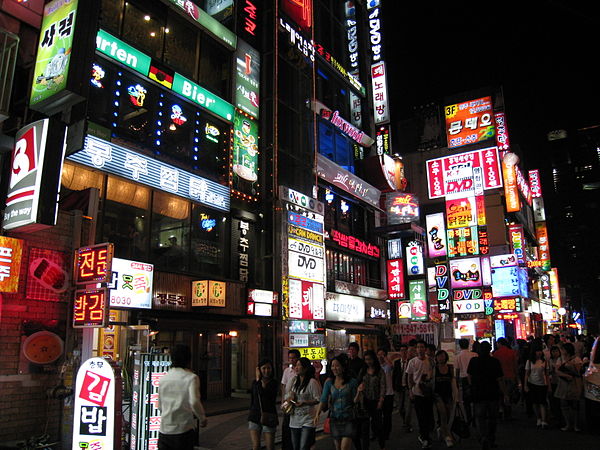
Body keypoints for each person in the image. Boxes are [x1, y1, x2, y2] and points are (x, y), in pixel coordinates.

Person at [158, 344, 207, 450]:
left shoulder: (164, 379)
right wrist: (202, 418)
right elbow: (194, 402)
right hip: (183, 430)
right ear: (188, 358)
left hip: (164, 430)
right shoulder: (191, 378)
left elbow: (159, 406)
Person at [315, 356, 361, 450]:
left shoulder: (352, 382)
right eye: (332, 366)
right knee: (338, 447)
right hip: (334, 419)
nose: (334, 368)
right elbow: (323, 399)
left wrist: (359, 392)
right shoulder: (329, 383)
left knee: (344, 448)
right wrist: (317, 414)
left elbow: (355, 401)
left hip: (349, 418)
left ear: (343, 367)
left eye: (337, 366)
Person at [467, 341, 505, 450]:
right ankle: (490, 438)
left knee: (480, 417)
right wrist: (505, 393)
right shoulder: (494, 362)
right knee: (493, 418)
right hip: (492, 393)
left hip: (478, 393)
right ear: (489, 350)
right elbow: (499, 379)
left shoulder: (474, 361)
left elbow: (469, 375)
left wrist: (472, 385)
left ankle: (483, 437)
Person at [285, 357, 322, 450]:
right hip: (294, 420)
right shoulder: (294, 381)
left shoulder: (312, 382)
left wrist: (305, 402)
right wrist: (291, 398)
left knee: (303, 447)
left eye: (299, 365)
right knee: (296, 447)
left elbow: (318, 399)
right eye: (296, 365)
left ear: (305, 368)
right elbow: (287, 395)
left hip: (308, 420)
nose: (296, 368)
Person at [356, 350, 387, 450]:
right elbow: (358, 382)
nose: (368, 361)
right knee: (365, 428)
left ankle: (382, 444)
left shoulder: (379, 371)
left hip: (376, 401)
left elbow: (383, 386)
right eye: (366, 359)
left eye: (370, 359)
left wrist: (381, 400)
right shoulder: (363, 370)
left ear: (374, 359)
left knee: (378, 425)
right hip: (364, 401)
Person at [406, 340, 434, 449]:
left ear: (425, 349)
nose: (420, 349)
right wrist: (410, 391)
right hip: (417, 393)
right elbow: (409, 377)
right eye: (418, 347)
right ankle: (425, 438)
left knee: (428, 416)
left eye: (422, 347)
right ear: (416, 349)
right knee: (421, 416)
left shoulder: (430, 361)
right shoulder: (412, 362)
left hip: (428, 393)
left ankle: (425, 435)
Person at [249, 358, 279, 450]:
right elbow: (253, 399)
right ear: (259, 369)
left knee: (270, 446)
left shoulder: (274, 383)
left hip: (269, 416)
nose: (266, 371)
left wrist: (259, 381)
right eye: (264, 368)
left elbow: (264, 395)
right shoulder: (255, 383)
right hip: (255, 416)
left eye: (269, 368)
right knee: (256, 446)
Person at [554, 342, 583, 431]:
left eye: (563, 349)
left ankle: (575, 425)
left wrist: (571, 366)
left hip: (574, 383)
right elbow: (557, 371)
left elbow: (578, 371)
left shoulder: (576, 359)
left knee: (574, 404)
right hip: (564, 382)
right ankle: (568, 424)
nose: (562, 351)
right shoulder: (560, 359)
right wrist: (567, 376)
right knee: (564, 404)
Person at [433, 350, 458, 448]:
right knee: (443, 414)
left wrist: (456, 395)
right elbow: (431, 380)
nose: (441, 358)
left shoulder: (450, 368)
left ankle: (443, 430)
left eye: (442, 356)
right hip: (438, 395)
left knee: (448, 414)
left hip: (448, 395)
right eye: (439, 356)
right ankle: (447, 436)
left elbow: (453, 381)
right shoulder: (434, 368)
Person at [492, 337, 519, 420]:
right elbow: (515, 366)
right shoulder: (512, 352)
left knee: (500, 395)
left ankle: (501, 410)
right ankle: (508, 413)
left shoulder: (496, 353)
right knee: (508, 395)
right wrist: (517, 378)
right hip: (510, 376)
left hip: (500, 377)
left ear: (499, 343)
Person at [524, 342, 549, 428]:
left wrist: (548, 385)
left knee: (542, 402)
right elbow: (527, 374)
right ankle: (538, 418)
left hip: (542, 384)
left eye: (540, 351)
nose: (539, 353)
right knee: (535, 402)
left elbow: (546, 373)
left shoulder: (544, 361)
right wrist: (525, 385)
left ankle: (543, 420)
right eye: (537, 351)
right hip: (532, 383)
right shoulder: (529, 361)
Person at [282, 349, 301, 449]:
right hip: (288, 402)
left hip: (298, 403)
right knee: (286, 426)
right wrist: (283, 402)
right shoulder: (287, 371)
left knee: (296, 427)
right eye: (290, 358)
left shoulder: (301, 371)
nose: (291, 360)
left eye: (293, 358)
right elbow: (283, 386)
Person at [455, 338, 477, 424]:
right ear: (468, 344)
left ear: (460, 346)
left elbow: (457, 370)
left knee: (466, 400)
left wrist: (456, 382)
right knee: (475, 399)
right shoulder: (474, 354)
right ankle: (475, 417)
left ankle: (468, 418)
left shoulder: (458, 356)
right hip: (474, 379)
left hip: (464, 379)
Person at [392, 344, 413, 432]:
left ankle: (406, 424)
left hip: (408, 388)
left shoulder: (411, 362)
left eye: (405, 350)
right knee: (400, 408)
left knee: (408, 408)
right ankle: (405, 421)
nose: (403, 352)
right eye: (401, 350)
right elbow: (394, 375)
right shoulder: (397, 362)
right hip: (399, 387)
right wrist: (394, 387)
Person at [377, 348, 395, 443]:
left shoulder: (387, 366)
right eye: (378, 354)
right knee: (378, 415)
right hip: (379, 394)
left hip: (389, 393)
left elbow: (391, 366)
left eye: (382, 354)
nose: (380, 356)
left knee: (387, 415)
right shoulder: (376, 367)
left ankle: (386, 432)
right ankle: (379, 432)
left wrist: (385, 358)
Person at [583, 337, 600, 435]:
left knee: (593, 410)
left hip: (592, 391)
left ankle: (593, 428)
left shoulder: (591, 362)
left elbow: (587, 376)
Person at [548, 345, 564, 427]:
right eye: (553, 351)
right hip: (553, 381)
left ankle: (562, 418)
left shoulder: (562, 359)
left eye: (556, 351)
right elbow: (549, 371)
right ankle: (557, 416)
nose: (555, 353)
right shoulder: (550, 360)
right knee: (555, 400)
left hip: (561, 381)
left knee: (561, 400)